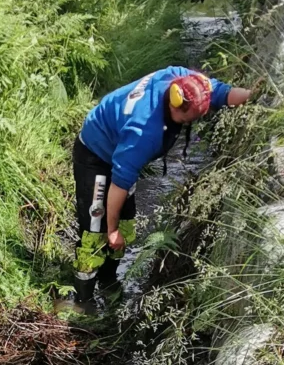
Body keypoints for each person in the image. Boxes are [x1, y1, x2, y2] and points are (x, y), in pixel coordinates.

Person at [72, 65, 255, 305]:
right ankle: (83, 300)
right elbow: (119, 183)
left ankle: (108, 282)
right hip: (95, 152)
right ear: (173, 104)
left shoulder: (184, 79)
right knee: (95, 229)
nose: (188, 124)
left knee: (126, 228)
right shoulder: (144, 132)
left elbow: (220, 93)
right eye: (186, 119)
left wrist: (254, 95)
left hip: (121, 144)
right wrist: (111, 229)